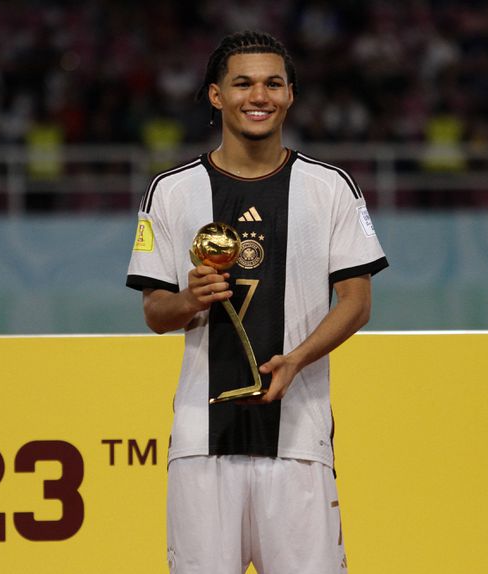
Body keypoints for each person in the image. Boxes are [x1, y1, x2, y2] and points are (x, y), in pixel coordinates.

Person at [126, 30, 388, 574]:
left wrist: (296, 360)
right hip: (201, 441)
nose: (259, 96)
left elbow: (357, 302)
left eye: (273, 83)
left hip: (299, 439)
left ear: (290, 94)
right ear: (216, 95)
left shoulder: (331, 186)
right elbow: (155, 313)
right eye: (243, 83)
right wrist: (190, 298)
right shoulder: (171, 190)